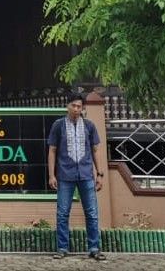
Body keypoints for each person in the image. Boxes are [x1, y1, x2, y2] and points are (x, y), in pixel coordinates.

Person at [47, 92, 106, 260]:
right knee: (63, 213)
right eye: (73, 105)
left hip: (86, 175)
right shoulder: (58, 126)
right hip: (65, 175)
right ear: (67, 106)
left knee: (92, 213)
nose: (76, 109)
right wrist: (52, 175)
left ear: (83, 108)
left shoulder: (89, 126)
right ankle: (62, 248)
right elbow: (52, 151)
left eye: (79, 106)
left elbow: (95, 150)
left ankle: (94, 248)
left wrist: (99, 174)